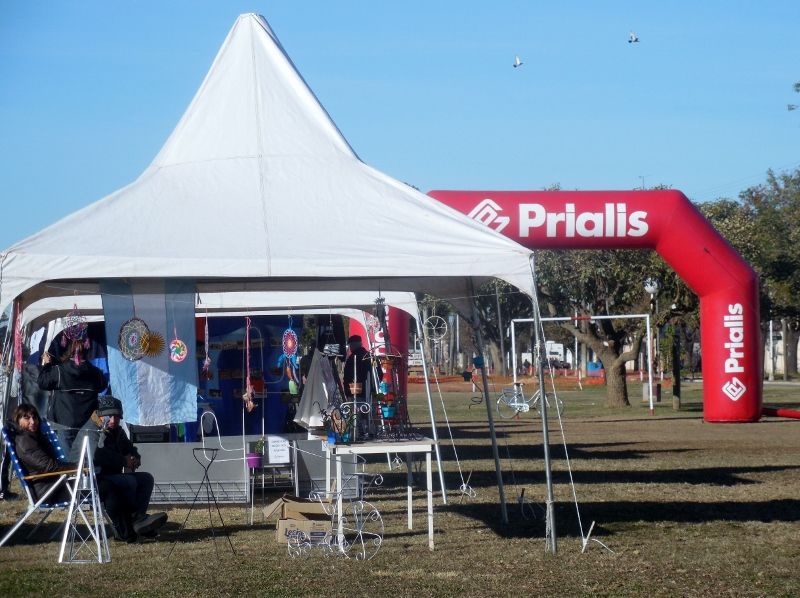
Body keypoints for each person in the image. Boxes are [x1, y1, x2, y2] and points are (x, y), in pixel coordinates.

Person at [91, 395, 167, 542]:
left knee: (146, 479)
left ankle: (139, 518)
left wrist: (135, 458)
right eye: (109, 416)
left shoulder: (118, 431)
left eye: (117, 416)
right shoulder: (93, 431)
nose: (113, 420)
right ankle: (135, 520)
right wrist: (123, 461)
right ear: (100, 415)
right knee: (130, 481)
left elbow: (129, 448)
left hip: (115, 475)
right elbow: (97, 456)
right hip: (99, 477)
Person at [37, 339, 107, 461]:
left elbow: (43, 382)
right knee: (86, 462)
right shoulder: (96, 373)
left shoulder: (59, 371)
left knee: (69, 465)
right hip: (88, 423)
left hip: (64, 423)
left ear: (68, 351)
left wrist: (47, 364)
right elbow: (102, 386)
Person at [11, 404, 76, 504]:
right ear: (18, 420)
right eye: (27, 418)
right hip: (48, 491)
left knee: (99, 484)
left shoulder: (33, 437)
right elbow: (49, 466)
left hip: (54, 485)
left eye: (34, 417)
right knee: (100, 486)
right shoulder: (25, 442)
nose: (32, 422)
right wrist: (77, 467)